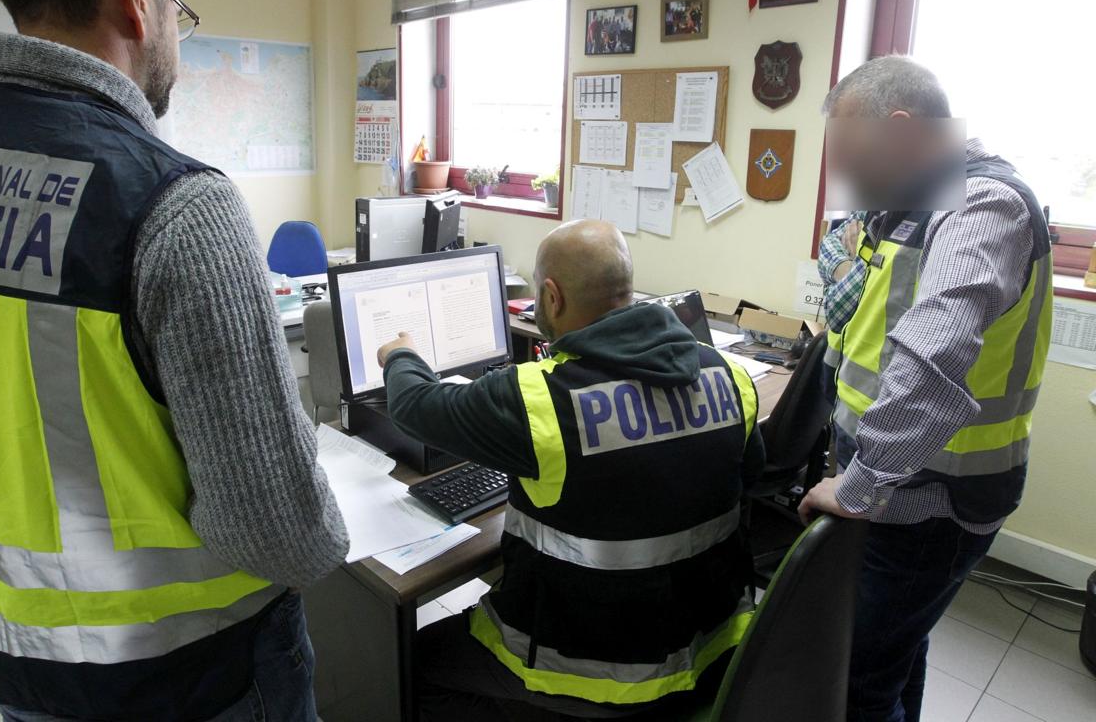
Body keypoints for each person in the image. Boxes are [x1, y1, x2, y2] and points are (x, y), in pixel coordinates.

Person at [0, 0, 348, 720]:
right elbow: (279, 535)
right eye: (181, 7)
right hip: (197, 677)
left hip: (15, 663)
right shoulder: (174, 202)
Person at [376, 220, 764, 721]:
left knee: (411, 664)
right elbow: (744, 481)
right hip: (711, 651)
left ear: (551, 298)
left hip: (590, 674)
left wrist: (400, 354)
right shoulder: (729, 376)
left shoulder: (540, 399)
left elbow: (415, 406)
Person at [799, 56, 1052, 722]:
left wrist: (858, 484)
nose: (848, 181)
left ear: (903, 130)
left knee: (856, 680)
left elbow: (933, 356)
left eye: (853, 159)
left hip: (929, 502)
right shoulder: (908, 204)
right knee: (893, 658)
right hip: (898, 494)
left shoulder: (982, 205)